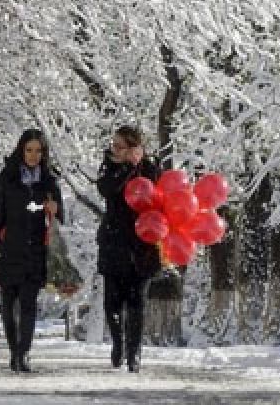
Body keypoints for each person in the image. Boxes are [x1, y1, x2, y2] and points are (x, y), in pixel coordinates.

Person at [0, 128, 64, 373]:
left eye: (38, 151)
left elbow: (61, 221)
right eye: (29, 150)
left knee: (28, 304)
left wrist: (55, 208)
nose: (34, 155)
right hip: (8, 251)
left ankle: (23, 353)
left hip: (35, 253)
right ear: (21, 150)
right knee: (8, 304)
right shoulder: (7, 178)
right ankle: (14, 350)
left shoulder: (49, 181)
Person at [96, 124, 160, 372]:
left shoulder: (149, 168)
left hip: (142, 245)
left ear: (134, 147)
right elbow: (107, 188)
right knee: (112, 303)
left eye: (120, 146)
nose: (115, 149)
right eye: (114, 145)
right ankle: (118, 343)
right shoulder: (109, 167)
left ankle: (135, 353)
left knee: (136, 302)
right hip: (114, 243)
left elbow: (160, 190)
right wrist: (126, 168)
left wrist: (140, 167)